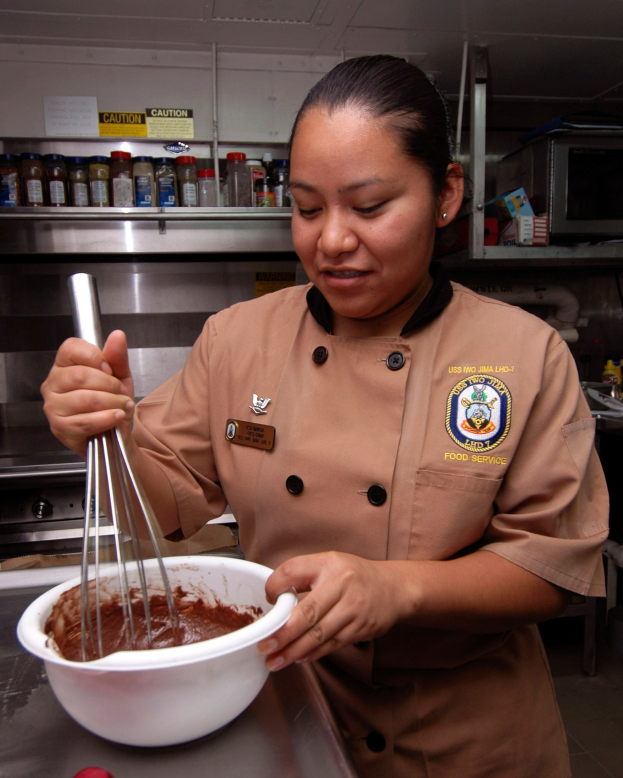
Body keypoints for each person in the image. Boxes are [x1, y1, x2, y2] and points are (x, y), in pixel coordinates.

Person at [42, 56, 608, 778]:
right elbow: (159, 511)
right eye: (307, 208)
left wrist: (395, 588)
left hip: (466, 739)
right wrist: (106, 432)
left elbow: (549, 569)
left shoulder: (521, 354)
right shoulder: (236, 339)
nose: (330, 240)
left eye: (368, 207)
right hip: (284, 712)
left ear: (446, 194)